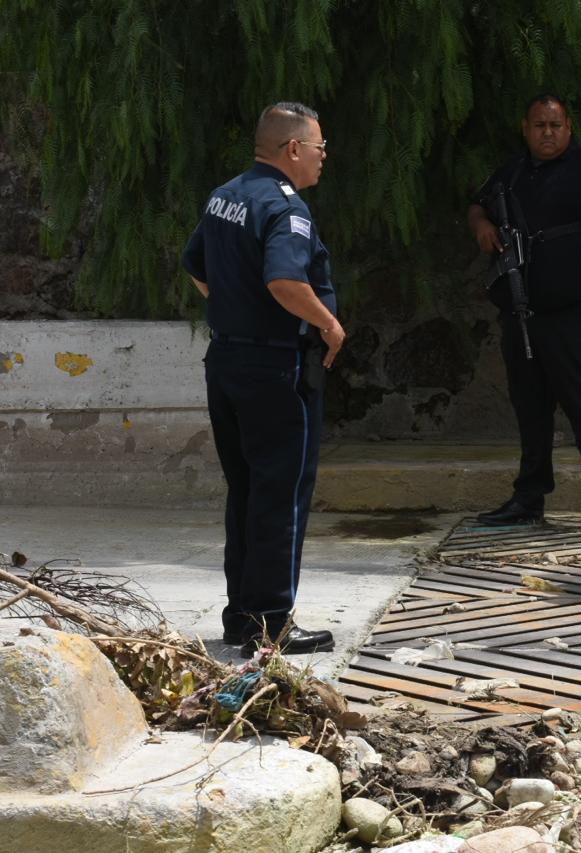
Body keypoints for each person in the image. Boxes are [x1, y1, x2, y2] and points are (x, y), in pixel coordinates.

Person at [181, 102, 344, 656]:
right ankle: (273, 620)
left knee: (247, 492)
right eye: (320, 147)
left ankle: (242, 618)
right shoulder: (285, 209)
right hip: (276, 368)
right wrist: (329, 324)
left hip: (227, 362)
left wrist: (236, 309)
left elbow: (196, 265)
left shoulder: (225, 194)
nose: (324, 158)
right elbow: (283, 279)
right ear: (293, 149)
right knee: (282, 495)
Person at [468, 94, 581, 533]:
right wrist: (483, 226)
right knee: (530, 408)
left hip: (575, 313)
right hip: (523, 314)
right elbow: (476, 203)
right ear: (525, 129)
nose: (548, 133)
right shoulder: (510, 173)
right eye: (539, 125)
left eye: (556, 125)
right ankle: (528, 498)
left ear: (568, 128)